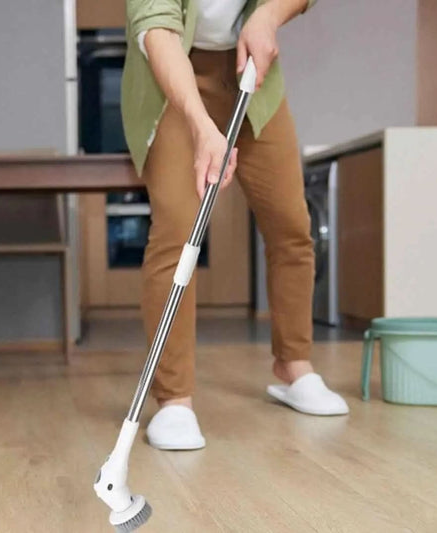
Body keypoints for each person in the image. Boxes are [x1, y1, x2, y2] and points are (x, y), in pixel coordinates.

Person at [121, 0, 349, 451]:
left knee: (291, 224)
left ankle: (293, 366)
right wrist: (202, 126)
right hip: (172, 79)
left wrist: (267, 16)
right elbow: (157, 28)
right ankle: (174, 400)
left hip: (251, 74)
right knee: (177, 229)